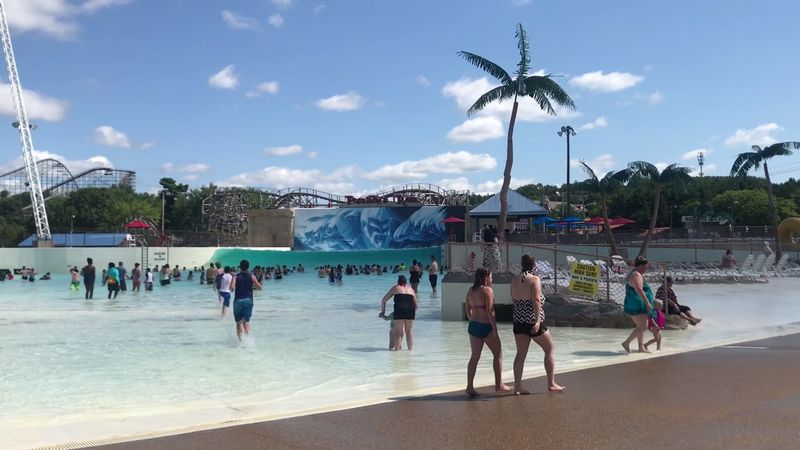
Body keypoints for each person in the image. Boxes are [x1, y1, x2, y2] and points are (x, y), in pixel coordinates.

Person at [510, 254, 565, 394]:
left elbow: (513, 299)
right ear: (534, 265)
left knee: (520, 355)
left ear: (522, 264)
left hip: (518, 320)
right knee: (549, 349)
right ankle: (551, 384)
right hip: (532, 320)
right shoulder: (535, 279)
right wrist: (537, 321)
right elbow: (536, 300)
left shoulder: (515, 280)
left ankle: (517, 387)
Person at [464, 267, 510, 397]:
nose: (492, 279)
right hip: (486, 326)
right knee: (498, 353)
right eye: (490, 277)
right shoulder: (487, 290)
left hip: (473, 326)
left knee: (474, 357)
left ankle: (469, 387)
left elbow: (467, 307)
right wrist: (495, 329)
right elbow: (490, 311)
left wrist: (471, 319)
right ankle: (499, 385)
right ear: (485, 278)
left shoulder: (471, 290)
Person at [622, 256, 654, 353]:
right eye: (645, 267)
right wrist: (647, 302)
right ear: (640, 266)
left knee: (640, 326)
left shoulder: (634, 273)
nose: (646, 269)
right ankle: (627, 342)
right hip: (637, 304)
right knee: (643, 326)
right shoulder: (636, 274)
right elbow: (639, 289)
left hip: (637, 303)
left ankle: (641, 347)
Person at [379, 275, 418, 351]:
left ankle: (397, 353)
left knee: (398, 333)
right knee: (409, 332)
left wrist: (383, 312)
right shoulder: (411, 289)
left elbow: (384, 300)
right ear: (406, 282)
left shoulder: (395, 288)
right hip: (410, 310)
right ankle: (410, 351)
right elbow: (416, 305)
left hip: (399, 310)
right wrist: (412, 312)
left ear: (398, 281)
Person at [228, 260, 263, 340]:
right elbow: (260, 288)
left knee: (238, 322)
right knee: (246, 321)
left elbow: (232, 289)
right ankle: (247, 340)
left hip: (238, 301)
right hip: (248, 300)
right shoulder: (252, 276)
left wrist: (233, 280)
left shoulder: (236, 277)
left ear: (240, 267)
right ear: (248, 267)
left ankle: (241, 341)